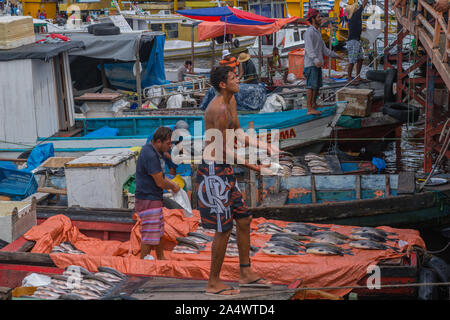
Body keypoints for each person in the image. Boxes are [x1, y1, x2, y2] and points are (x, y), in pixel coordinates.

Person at [198, 65, 279, 296]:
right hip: (214, 170)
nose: (238, 81)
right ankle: (213, 283)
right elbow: (222, 151)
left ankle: (245, 272)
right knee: (223, 228)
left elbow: (239, 135)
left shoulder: (231, 101)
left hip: (225, 168)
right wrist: (254, 166)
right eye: (234, 78)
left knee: (243, 219)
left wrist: (266, 147)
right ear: (222, 84)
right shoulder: (220, 109)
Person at [135, 126, 181, 260]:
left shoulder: (156, 153)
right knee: (149, 233)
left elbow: (161, 176)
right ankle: (143, 261)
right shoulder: (150, 154)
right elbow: (160, 182)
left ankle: (161, 257)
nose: (170, 147)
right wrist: (173, 186)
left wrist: (172, 184)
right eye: (168, 143)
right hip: (147, 199)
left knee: (158, 230)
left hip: (154, 198)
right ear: (159, 141)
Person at [304, 8, 344, 115]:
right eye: (318, 17)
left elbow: (324, 50)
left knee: (316, 86)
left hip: (317, 64)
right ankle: (309, 108)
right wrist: (316, 60)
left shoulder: (317, 32)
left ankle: (314, 104)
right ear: (312, 19)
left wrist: (336, 55)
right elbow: (309, 49)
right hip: (311, 64)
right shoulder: (309, 32)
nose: (320, 18)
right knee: (311, 86)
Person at [346, 0, 368, 84]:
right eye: (355, 8)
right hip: (353, 41)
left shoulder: (353, 18)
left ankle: (357, 76)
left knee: (360, 59)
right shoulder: (356, 15)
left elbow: (354, 28)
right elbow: (364, 4)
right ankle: (349, 78)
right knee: (352, 60)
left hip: (356, 40)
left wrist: (361, 29)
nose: (356, 8)